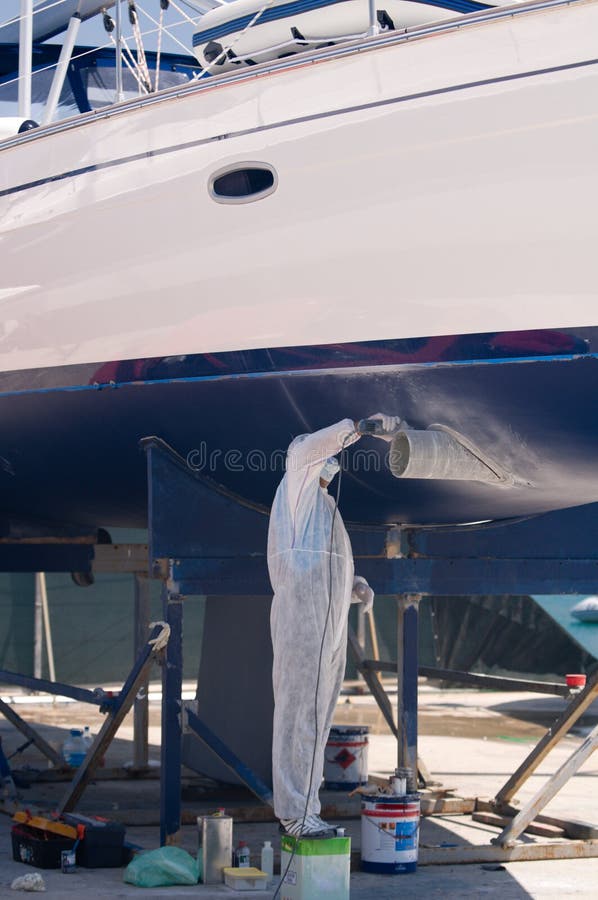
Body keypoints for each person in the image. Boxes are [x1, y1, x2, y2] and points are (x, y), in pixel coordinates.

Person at [267, 413, 400, 837]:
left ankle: (309, 808)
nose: (329, 471)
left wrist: (354, 586)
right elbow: (305, 450)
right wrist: (356, 429)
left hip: (329, 624)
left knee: (319, 717)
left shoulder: (325, 507)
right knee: (299, 716)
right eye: (327, 464)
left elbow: (324, 564)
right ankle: (294, 812)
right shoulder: (297, 489)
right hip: (304, 627)